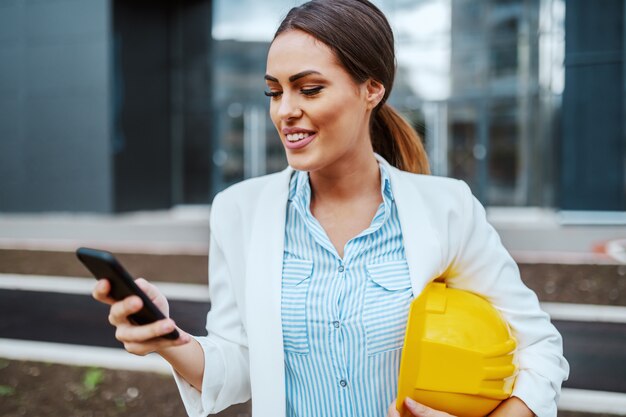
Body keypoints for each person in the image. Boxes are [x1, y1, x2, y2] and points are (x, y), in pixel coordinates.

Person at [92, 0, 569, 416]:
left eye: (310, 89)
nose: (285, 111)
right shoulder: (237, 211)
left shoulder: (446, 209)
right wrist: (169, 340)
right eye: (274, 92)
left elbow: (539, 348)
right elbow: (240, 364)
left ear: (372, 90)